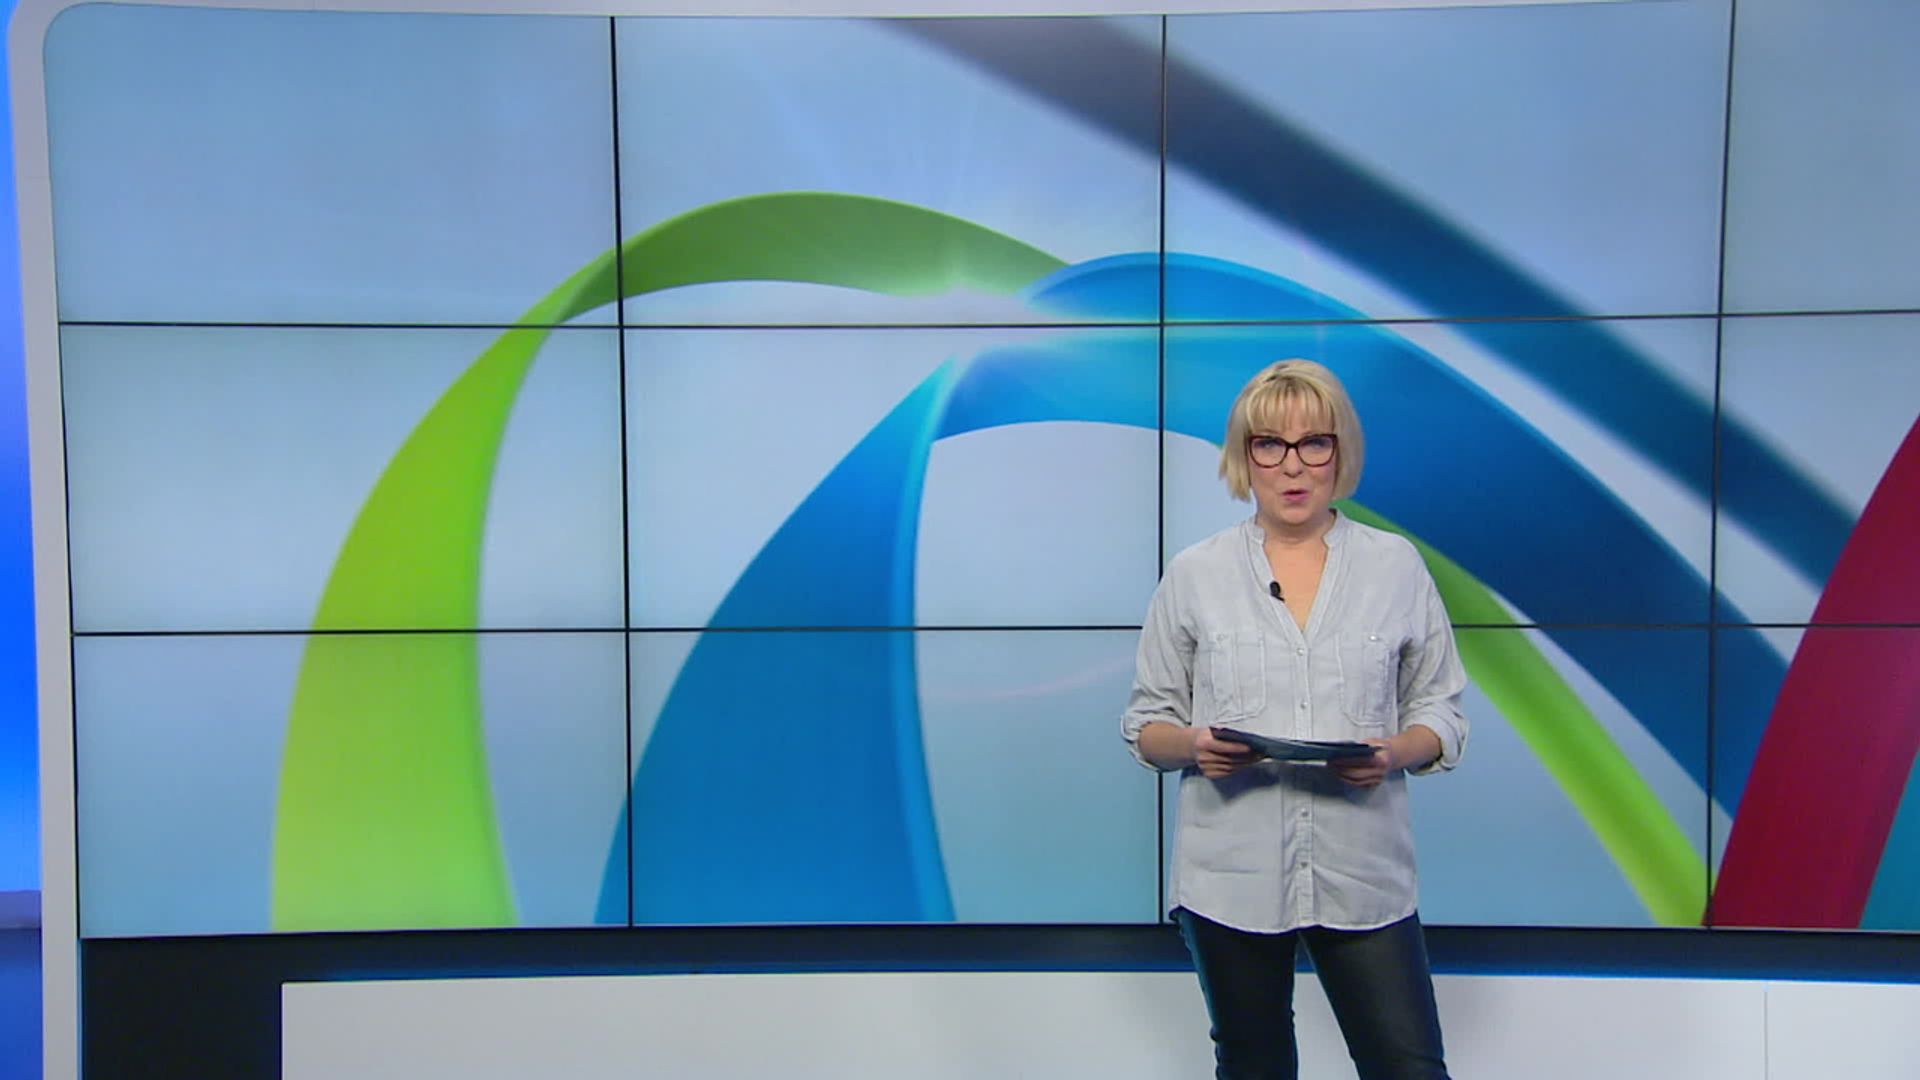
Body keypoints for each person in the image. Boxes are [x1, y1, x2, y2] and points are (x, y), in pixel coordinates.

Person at [1122, 358, 1468, 1080]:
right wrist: (1196, 745)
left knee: (1408, 1067)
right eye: (1270, 445)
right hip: (1231, 877)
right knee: (1255, 1067)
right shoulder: (1196, 573)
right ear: (1244, 455)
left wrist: (1392, 754)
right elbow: (1147, 724)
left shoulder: (1396, 566)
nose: (1292, 465)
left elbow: (1440, 710)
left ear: (1341, 452)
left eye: (1314, 443)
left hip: (1364, 872)